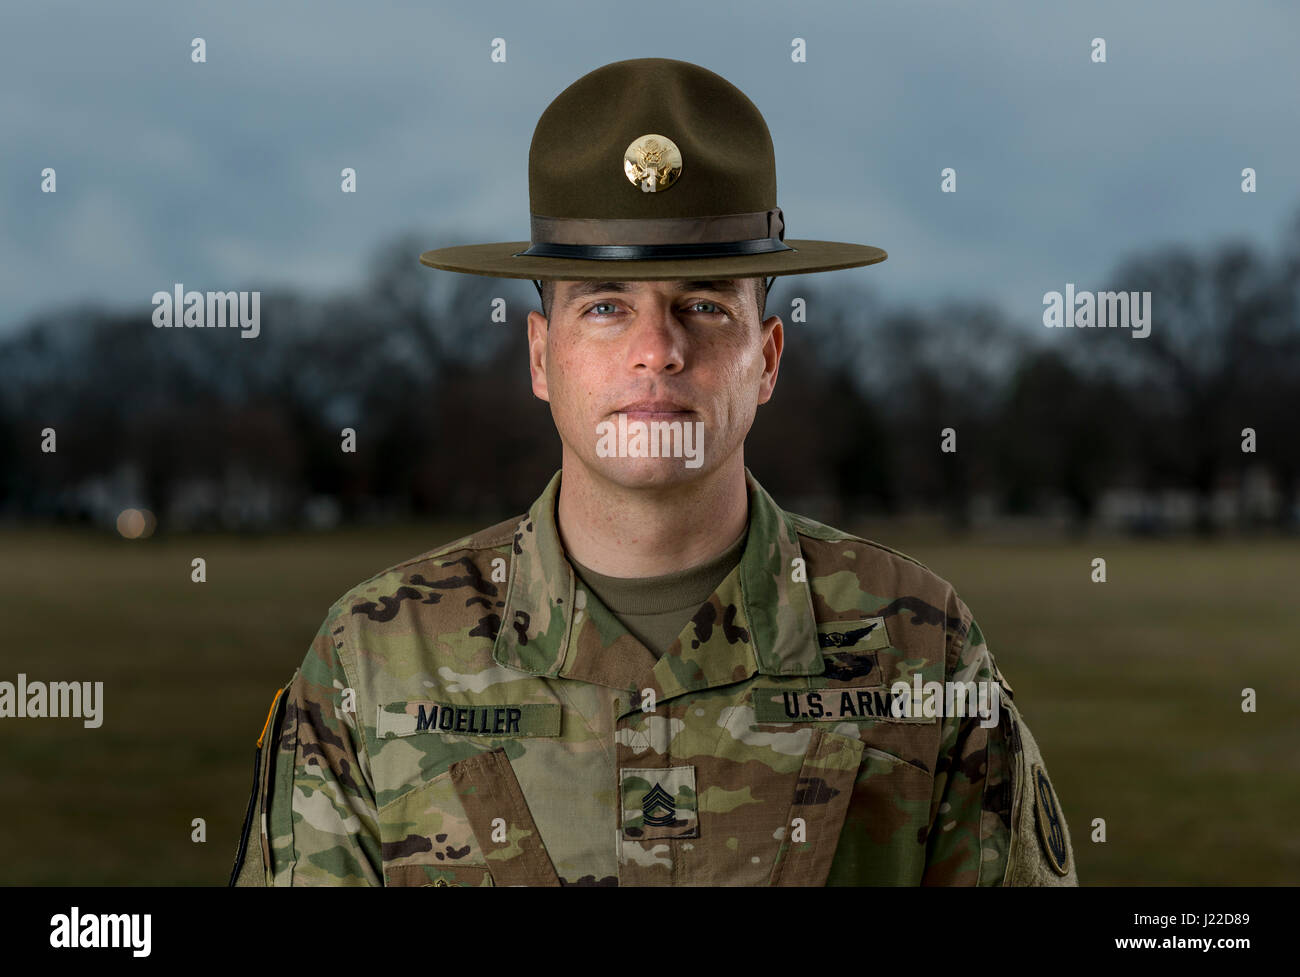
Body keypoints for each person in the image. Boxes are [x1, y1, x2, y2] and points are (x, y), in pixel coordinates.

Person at [230, 57, 1076, 886]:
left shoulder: (921, 643)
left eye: (703, 305)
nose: (657, 350)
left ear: (767, 358)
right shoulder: (375, 653)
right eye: (606, 307)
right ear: (541, 356)